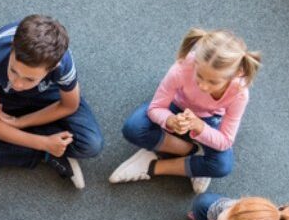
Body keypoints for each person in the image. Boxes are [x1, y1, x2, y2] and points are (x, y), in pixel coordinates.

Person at [0, 14, 103, 189]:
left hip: (48, 92)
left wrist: (18, 123)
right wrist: (45, 144)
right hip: (3, 94)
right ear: (12, 50)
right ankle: (48, 155)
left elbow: (70, 105)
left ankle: (1, 146)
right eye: (14, 71)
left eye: (29, 79)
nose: (17, 83)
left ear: (53, 68)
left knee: (91, 144)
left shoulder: (63, 63)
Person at [109, 28, 261, 194]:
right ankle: (192, 152)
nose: (203, 86)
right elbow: (156, 107)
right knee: (133, 128)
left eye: (213, 82)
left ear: (236, 74)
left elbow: (225, 141)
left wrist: (199, 127)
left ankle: (153, 166)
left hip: (210, 119)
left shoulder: (239, 93)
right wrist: (170, 120)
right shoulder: (182, 68)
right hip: (176, 106)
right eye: (200, 76)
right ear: (195, 61)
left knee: (222, 166)